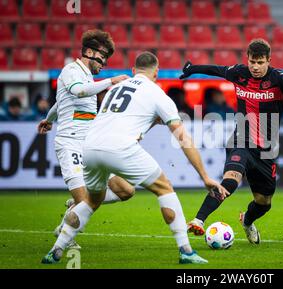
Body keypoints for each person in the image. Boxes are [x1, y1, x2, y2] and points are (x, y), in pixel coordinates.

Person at [41, 51, 228, 264]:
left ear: (133, 70)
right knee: (164, 188)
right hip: (119, 146)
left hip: (89, 146)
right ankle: (186, 251)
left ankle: (55, 250)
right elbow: (183, 136)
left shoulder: (116, 88)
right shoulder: (157, 94)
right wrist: (204, 176)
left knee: (91, 201)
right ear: (156, 72)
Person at [180, 39, 283, 244]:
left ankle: (247, 221)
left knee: (264, 202)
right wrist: (192, 69)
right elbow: (216, 70)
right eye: (252, 62)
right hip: (241, 140)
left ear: (269, 60)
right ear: (247, 59)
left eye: (260, 62)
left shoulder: (280, 79)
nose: (255, 67)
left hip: (266, 150)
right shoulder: (239, 73)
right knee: (231, 179)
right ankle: (198, 220)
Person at [38, 30, 134, 250]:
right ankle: (67, 234)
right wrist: (111, 81)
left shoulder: (88, 76)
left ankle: (73, 209)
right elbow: (79, 92)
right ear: (89, 52)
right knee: (85, 204)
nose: (104, 63)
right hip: (70, 143)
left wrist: (49, 118)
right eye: (102, 58)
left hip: (90, 146)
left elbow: (61, 102)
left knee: (126, 191)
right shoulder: (71, 70)